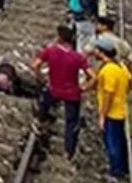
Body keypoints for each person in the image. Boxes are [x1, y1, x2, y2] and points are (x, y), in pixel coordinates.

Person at [32, 25, 92, 159]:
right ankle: (68, 151)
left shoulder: (50, 51)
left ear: (59, 38)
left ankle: (40, 121)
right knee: (71, 122)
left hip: (54, 89)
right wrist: (85, 87)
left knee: (44, 102)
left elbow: (35, 65)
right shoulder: (77, 57)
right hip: (72, 93)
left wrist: (41, 77)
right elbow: (93, 76)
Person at [93, 39, 132, 178]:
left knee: (112, 142)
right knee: (120, 140)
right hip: (121, 109)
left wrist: (102, 115)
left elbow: (108, 94)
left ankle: (116, 171)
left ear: (102, 52)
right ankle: (123, 168)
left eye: (97, 50)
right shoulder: (121, 66)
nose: (94, 52)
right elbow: (130, 81)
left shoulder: (109, 70)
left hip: (112, 112)